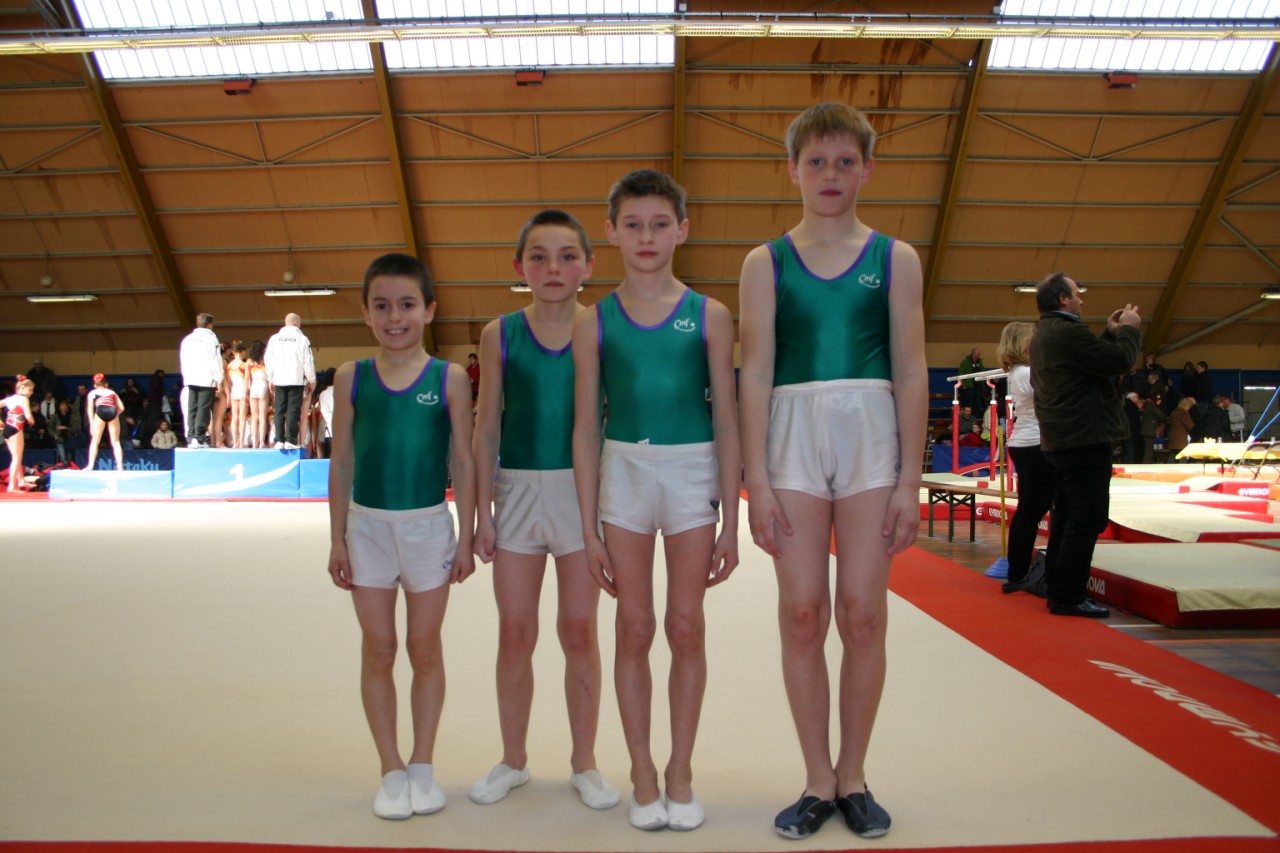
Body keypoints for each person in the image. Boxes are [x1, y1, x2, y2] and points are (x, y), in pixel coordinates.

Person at [739, 103, 926, 841]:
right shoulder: (766, 264)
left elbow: (911, 369)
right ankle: (818, 777)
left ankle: (854, 775)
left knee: (863, 611)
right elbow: (755, 372)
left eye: (845, 161)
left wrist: (909, 480)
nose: (830, 174)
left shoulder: (895, 259)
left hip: (870, 430)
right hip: (792, 432)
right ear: (792, 170)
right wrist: (756, 479)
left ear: (867, 169)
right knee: (802, 611)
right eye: (816, 161)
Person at [572, 170, 741, 833]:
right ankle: (642, 769)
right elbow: (585, 426)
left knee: (686, 623)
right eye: (633, 225)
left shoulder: (711, 315)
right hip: (624, 471)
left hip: (691, 468)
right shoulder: (595, 321)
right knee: (635, 624)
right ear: (612, 232)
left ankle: (681, 770)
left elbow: (727, 418)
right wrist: (589, 528)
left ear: (682, 230)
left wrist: (733, 519)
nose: (646, 237)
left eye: (659, 224)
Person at [470, 209, 620, 812]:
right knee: (515, 631)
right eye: (538, 257)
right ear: (519, 267)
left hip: (583, 493)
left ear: (588, 265)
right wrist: (481, 513)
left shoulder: (604, 328)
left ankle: (585, 761)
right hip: (516, 491)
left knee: (579, 629)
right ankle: (513, 759)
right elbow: (486, 428)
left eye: (566, 256)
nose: (553, 268)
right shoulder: (499, 333)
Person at [326, 252, 476, 821]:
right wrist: (337, 538)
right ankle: (390, 767)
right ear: (366, 313)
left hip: (428, 528)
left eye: (407, 305)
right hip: (366, 527)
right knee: (380, 647)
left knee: (424, 647)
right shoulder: (351, 377)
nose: (395, 317)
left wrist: (467, 535)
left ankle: (422, 764)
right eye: (383, 306)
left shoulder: (449, 378)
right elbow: (342, 460)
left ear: (428, 310)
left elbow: (463, 460)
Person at [1030, 272, 1141, 619]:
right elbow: (1119, 362)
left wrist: (1108, 334)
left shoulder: (1046, 332)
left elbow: (1089, 362)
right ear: (1063, 298)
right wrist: (1130, 331)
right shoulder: (1067, 332)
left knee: (1066, 516)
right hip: (1083, 436)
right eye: (1077, 294)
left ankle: (1059, 588)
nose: (1081, 300)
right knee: (1086, 518)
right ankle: (1068, 595)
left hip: (1060, 439)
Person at [997, 321, 1053, 594]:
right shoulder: (1027, 373)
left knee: (1027, 509)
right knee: (1032, 510)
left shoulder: (1016, 372)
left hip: (1024, 441)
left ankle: (1017, 570)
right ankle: (1018, 571)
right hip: (1033, 444)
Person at [266, 313, 316, 449]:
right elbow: (308, 361)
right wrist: (311, 379)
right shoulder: (303, 339)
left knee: (279, 409)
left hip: (279, 379)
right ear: (295, 323)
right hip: (296, 379)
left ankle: (279, 440)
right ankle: (290, 440)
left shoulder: (274, 339)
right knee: (293, 409)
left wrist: (270, 378)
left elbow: (268, 359)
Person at [179, 313, 223, 448]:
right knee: (203, 409)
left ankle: (191, 437)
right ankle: (199, 438)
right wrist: (219, 379)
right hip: (206, 379)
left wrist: (186, 376)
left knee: (192, 407)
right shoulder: (211, 338)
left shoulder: (187, 339)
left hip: (190, 378)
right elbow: (215, 359)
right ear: (210, 325)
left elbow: (183, 359)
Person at [85, 373, 125, 472]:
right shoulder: (112, 392)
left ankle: (90, 465)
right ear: (105, 384)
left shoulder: (92, 393)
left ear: (95, 385)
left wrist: (92, 424)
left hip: (100, 410)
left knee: (95, 441)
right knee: (116, 442)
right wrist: (115, 414)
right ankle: (120, 467)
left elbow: (90, 410)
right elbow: (122, 408)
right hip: (112, 410)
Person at [2, 376, 35, 492]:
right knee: (16, 458)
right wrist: (31, 420)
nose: (31, 392)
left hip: (7, 429)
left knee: (17, 457)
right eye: (30, 390)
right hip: (16, 428)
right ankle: (12, 485)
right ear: (22, 388)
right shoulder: (24, 399)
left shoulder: (10, 399)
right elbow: (28, 415)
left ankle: (21, 480)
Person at [246, 340, 270, 448]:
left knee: (254, 417)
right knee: (262, 417)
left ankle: (254, 443)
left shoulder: (249, 362)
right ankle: (262, 442)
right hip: (263, 387)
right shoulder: (265, 362)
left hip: (253, 388)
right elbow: (269, 378)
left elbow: (247, 379)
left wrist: (246, 392)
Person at [226, 341, 249, 449]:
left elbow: (229, 382)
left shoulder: (229, 366)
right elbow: (246, 380)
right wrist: (246, 393)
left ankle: (235, 442)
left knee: (234, 417)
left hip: (234, 391)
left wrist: (230, 391)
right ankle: (241, 442)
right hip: (242, 392)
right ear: (242, 351)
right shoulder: (244, 365)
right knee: (242, 418)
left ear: (234, 352)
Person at [959, 347, 986, 411]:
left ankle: (976, 416)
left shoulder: (980, 362)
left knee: (977, 403)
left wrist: (983, 384)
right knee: (969, 403)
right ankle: (969, 415)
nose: (979, 355)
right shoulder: (966, 362)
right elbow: (960, 373)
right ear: (973, 354)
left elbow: (982, 371)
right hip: (969, 387)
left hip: (978, 386)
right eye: (978, 354)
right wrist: (963, 385)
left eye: (979, 354)